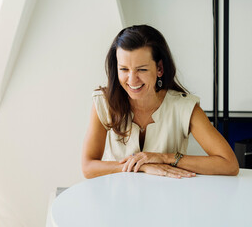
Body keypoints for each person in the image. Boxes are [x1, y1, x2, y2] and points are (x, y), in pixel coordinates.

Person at [82, 25, 239, 179]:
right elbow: (88, 167)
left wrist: (164, 158)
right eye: (124, 69)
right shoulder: (104, 102)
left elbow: (229, 164)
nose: (132, 79)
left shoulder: (185, 107)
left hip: (168, 199)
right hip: (117, 199)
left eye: (141, 69)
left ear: (160, 69)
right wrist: (142, 166)